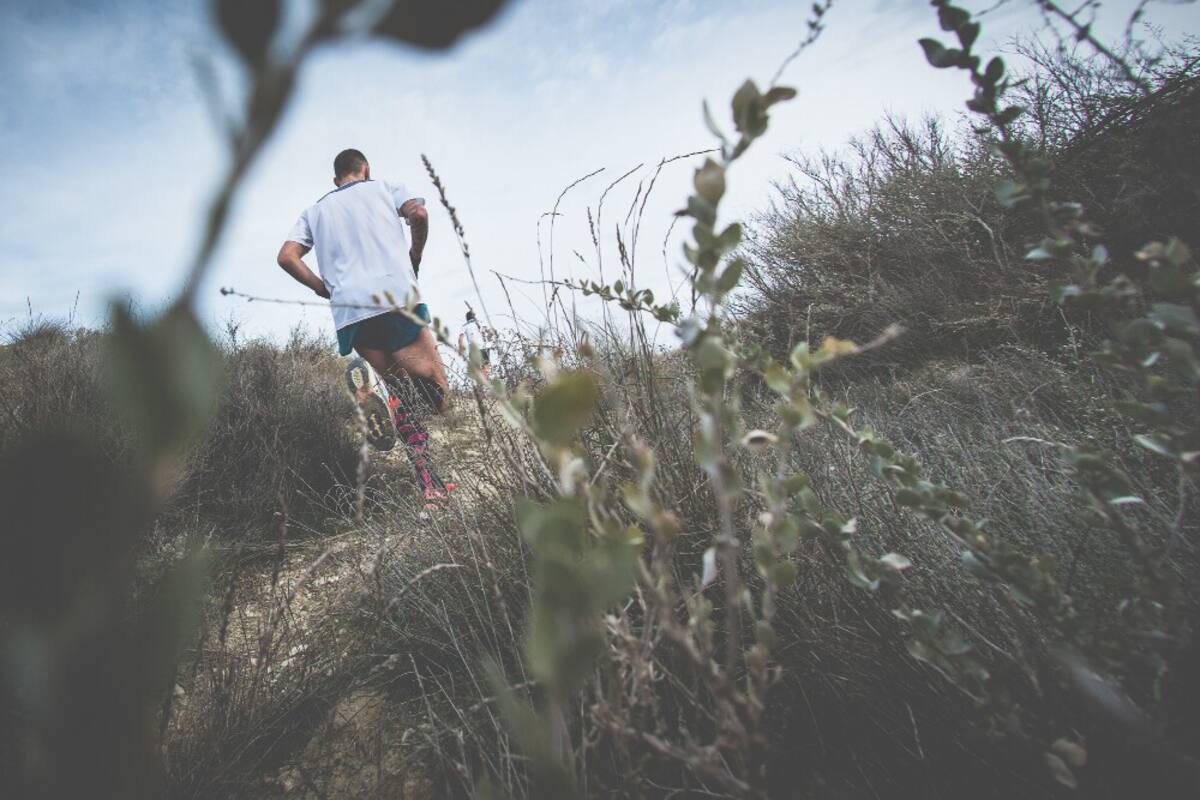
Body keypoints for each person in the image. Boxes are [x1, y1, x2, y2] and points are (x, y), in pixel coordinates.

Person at [277, 148, 452, 509]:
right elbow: (418, 213)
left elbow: (287, 256)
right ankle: (394, 408)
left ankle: (430, 489)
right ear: (366, 170)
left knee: (401, 390)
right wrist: (414, 255)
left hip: (351, 313)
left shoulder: (315, 210)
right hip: (396, 299)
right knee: (437, 391)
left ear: (336, 178)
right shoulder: (385, 187)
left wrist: (322, 287)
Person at [457, 308, 493, 380]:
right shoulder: (480, 323)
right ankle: (487, 381)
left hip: (473, 350)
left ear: (467, 318)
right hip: (483, 347)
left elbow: (461, 338)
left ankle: (480, 385)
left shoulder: (464, 326)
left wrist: (461, 346)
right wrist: (488, 338)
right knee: (486, 366)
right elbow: (490, 333)